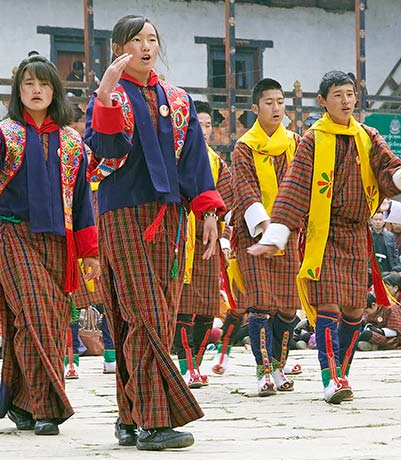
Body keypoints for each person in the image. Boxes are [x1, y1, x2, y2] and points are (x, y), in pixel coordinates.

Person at [84, 15, 225, 450]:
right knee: (145, 313)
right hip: (122, 213)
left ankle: (129, 417)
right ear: (118, 48)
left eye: (152, 39)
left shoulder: (178, 101)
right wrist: (106, 94)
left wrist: (207, 211)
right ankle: (155, 420)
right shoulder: (107, 97)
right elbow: (105, 150)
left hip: (169, 217)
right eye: (135, 40)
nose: (146, 47)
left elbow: (194, 163)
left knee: (153, 312)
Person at [249, 70, 401, 404]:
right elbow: (295, 188)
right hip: (323, 233)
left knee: (356, 310)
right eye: (338, 95)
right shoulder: (313, 140)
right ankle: (331, 378)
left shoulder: (368, 136)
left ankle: (341, 372)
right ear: (323, 101)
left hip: (357, 233)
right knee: (327, 304)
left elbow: (388, 173)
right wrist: (277, 233)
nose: (346, 101)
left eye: (350, 94)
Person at [0, 55, 100, 436]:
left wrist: (89, 252)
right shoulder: (5, 132)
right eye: (28, 83)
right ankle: (46, 407)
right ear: (18, 91)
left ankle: (21, 401)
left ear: (54, 90)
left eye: (43, 83)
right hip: (14, 235)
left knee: (45, 322)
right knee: (38, 314)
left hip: (59, 244)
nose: (36, 89)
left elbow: (81, 202)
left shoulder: (74, 143)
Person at [227, 78, 302, 395]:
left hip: (289, 233)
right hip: (254, 236)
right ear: (255, 108)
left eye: (281, 101)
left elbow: (303, 186)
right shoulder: (244, 147)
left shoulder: (296, 143)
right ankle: (262, 372)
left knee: (286, 306)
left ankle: (279, 366)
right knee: (260, 304)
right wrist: (266, 228)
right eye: (269, 102)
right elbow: (245, 190)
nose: (276, 108)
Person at [174, 100, 233, 389]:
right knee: (184, 306)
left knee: (207, 307)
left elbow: (228, 202)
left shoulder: (216, 162)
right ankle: (186, 365)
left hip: (207, 242)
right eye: (199, 124)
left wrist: (224, 238)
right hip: (180, 239)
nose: (204, 130)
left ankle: (195, 363)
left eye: (208, 125)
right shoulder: (174, 156)